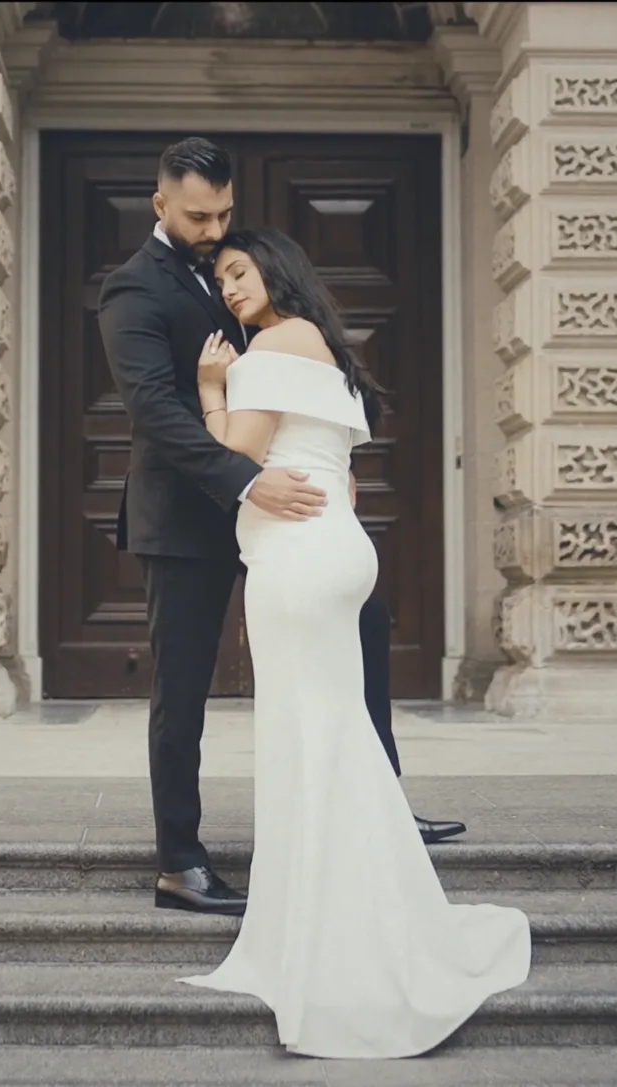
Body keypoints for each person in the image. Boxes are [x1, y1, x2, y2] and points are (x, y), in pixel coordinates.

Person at [178, 226, 529, 1059]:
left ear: (275, 270)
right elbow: (343, 470)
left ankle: (334, 935)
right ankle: (351, 908)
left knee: (308, 742)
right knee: (335, 738)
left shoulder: (270, 344)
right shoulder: (324, 351)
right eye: (220, 279)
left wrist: (209, 387)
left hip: (298, 563)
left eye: (238, 270)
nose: (229, 289)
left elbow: (236, 454)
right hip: (335, 549)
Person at [96, 138, 463, 919]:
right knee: (182, 691)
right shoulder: (132, 290)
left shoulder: (239, 272)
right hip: (193, 514)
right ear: (161, 204)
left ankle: (379, 809)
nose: (214, 227)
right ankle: (181, 862)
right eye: (199, 215)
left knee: (364, 632)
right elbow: (155, 413)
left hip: (285, 515)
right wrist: (248, 478)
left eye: (226, 214)